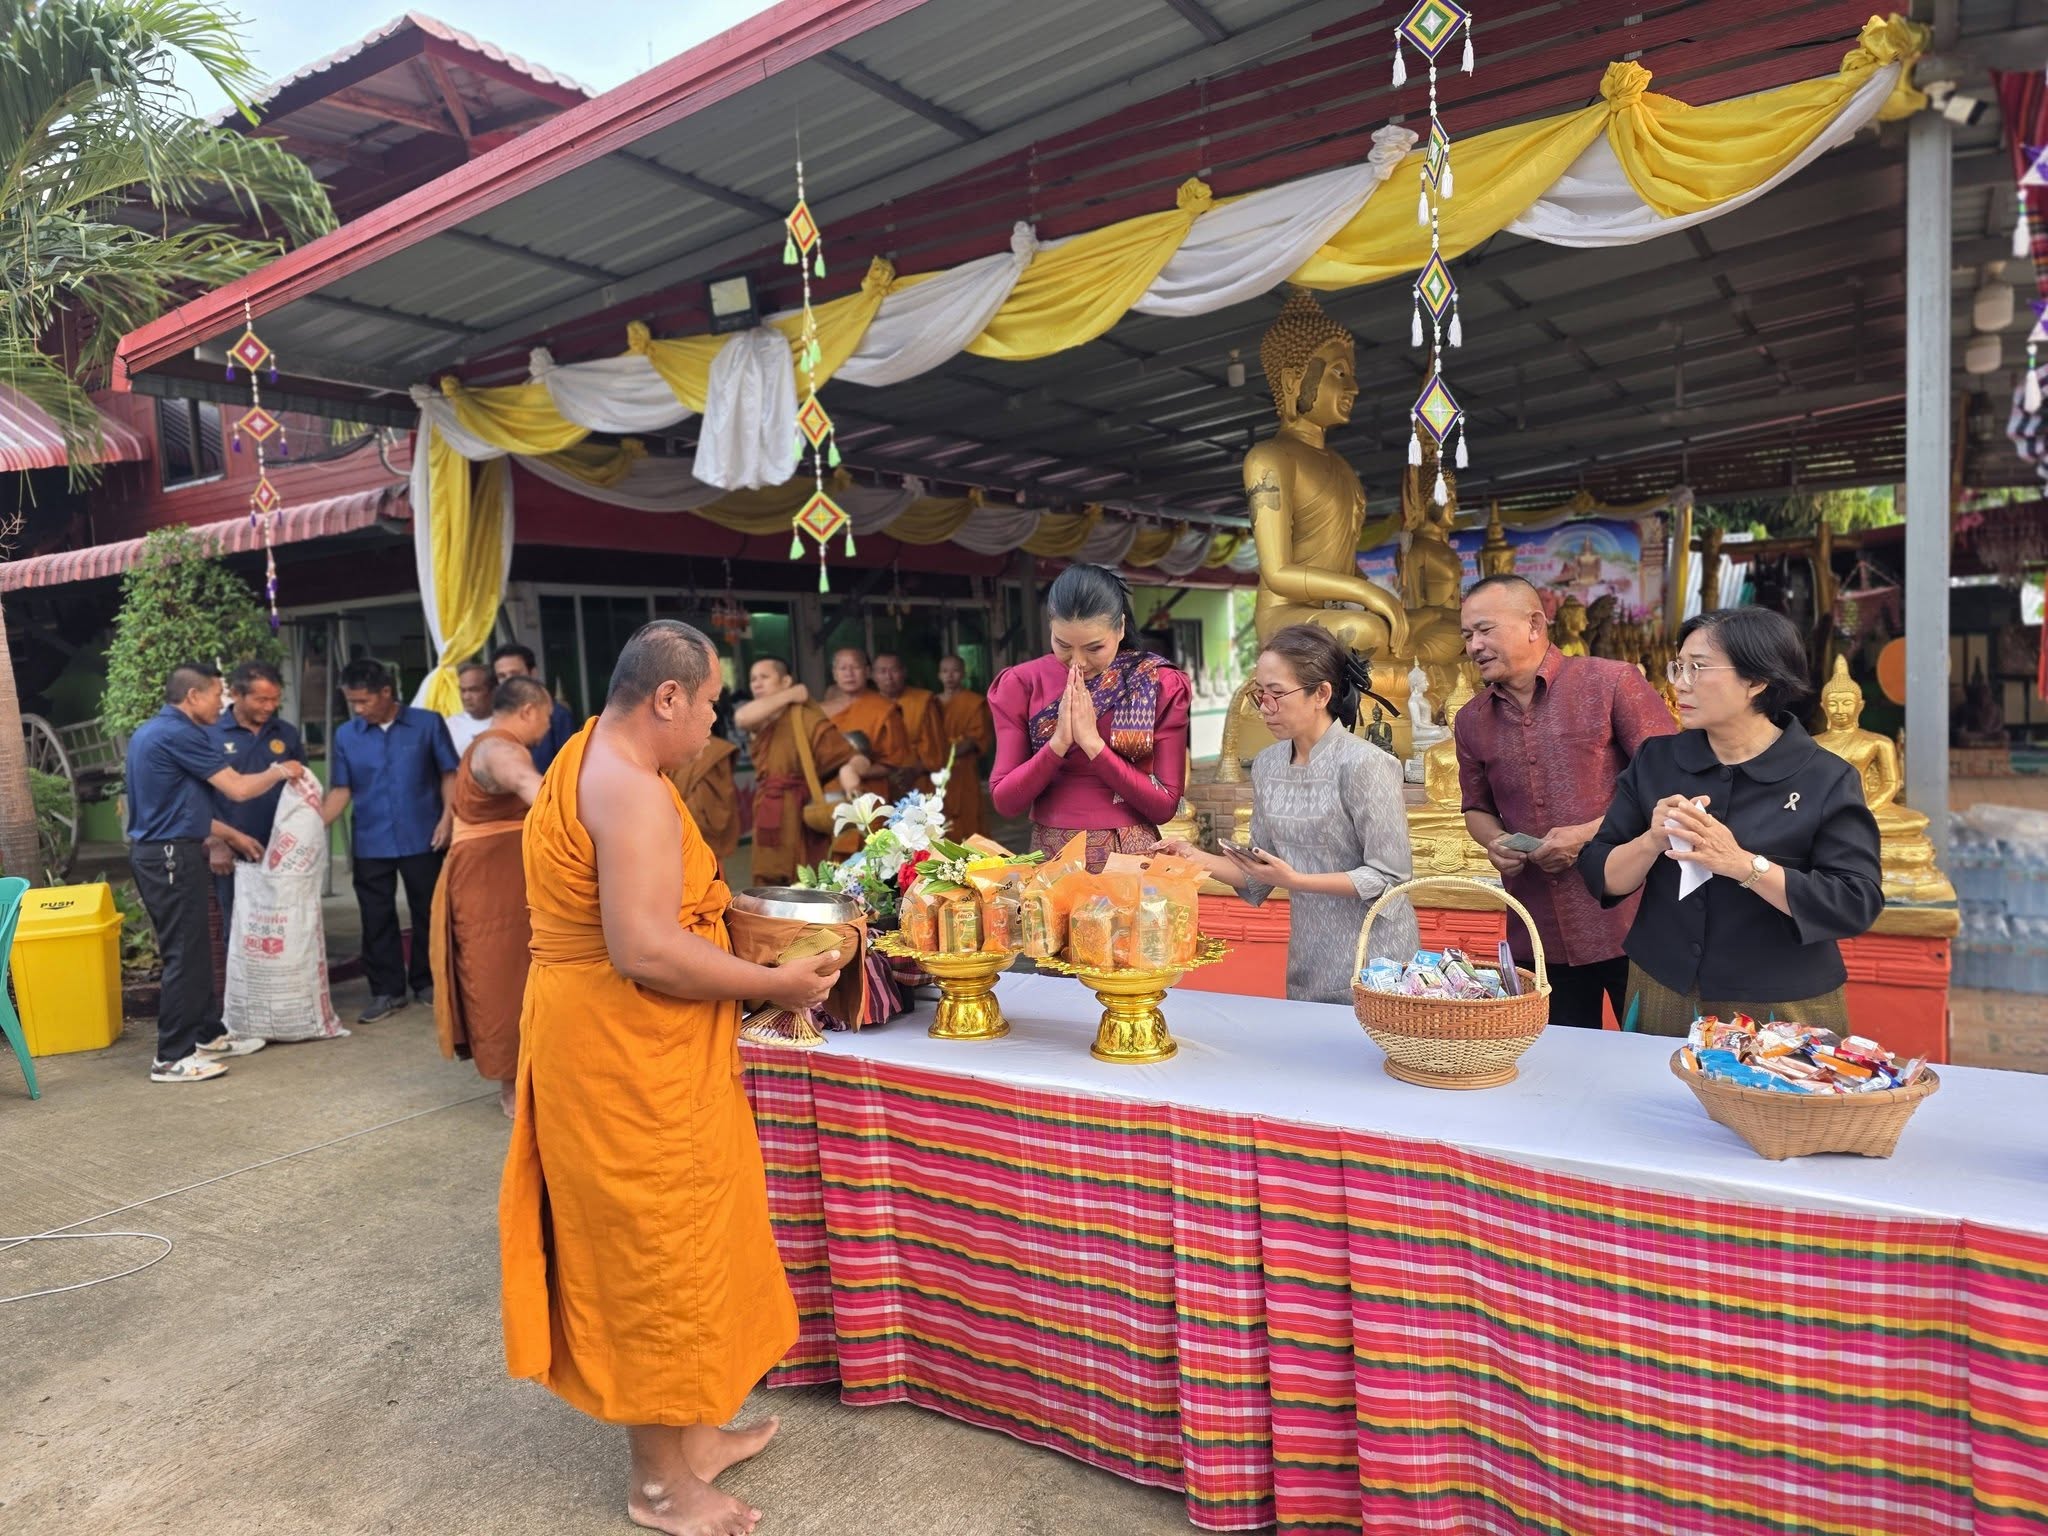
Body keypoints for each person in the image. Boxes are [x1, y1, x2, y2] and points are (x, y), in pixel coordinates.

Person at [499, 620, 847, 1536]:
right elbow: (646, 950)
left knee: (697, 1232)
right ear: (666, 698)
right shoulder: (628, 790)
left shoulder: (594, 754)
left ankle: (693, 1433)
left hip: (625, 1040)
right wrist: (775, 982)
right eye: (709, 700)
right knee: (653, 1251)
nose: (715, 717)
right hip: (622, 1050)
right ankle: (658, 1484)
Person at [1579, 607, 1884, 1035]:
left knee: (1770, 1104)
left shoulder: (1826, 777)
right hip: (1666, 988)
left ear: (1758, 680)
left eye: (1698, 668)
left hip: (1781, 1002)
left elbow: (1854, 903)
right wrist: (1651, 839)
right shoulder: (1656, 761)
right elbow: (1600, 874)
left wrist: (1743, 865)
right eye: (1679, 666)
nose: (1679, 682)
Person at [1454, 574, 1676, 1028]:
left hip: (1634, 920)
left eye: (1485, 630)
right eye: (1467, 635)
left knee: (1656, 1058)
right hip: (1537, 928)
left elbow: (1671, 783)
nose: (1474, 646)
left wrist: (1588, 835)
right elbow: (1476, 807)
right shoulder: (1471, 719)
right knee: (1557, 1069)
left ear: (1534, 624)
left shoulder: (1611, 682)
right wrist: (1496, 842)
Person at [1156, 625, 1417, 1002]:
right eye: (1260, 694)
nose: (1265, 707)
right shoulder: (1267, 765)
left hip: (1378, 958)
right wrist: (1191, 856)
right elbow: (1258, 876)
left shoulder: (1366, 764)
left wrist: (1297, 880)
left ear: (1321, 694)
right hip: (1309, 956)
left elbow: (1389, 876)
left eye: (1277, 694)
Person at [125, 662, 308, 1082]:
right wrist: (284, 770)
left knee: (195, 950)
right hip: (171, 857)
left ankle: (208, 1034)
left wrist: (233, 835)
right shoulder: (180, 733)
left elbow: (182, 808)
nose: (221, 701)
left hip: (167, 851)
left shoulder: (152, 731)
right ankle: (170, 1057)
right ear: (193, 697)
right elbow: (239, 789)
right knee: (184, 956)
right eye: (216, 693)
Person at [988, 563, 1191, 870]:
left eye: (1095, 647)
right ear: (1050, 629)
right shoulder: (1021, 684)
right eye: (1063, 645)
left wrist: (1093, 746)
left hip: (1129, 858)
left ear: (1120, 628)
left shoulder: (1155, 682)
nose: (1078, 663)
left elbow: (1164, 805)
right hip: (1052, 858)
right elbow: (1005, 801)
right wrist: (1058, 744)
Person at [430, 675, 552, 1118]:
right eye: (547, 715)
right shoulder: (500, 748)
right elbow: (534, 790)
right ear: (528, 710)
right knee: (501, 980)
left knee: (523, 973)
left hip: (506, 879)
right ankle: (513, 1090)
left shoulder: (490, 743)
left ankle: (538, 1078)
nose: (546, 724)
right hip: (488, 884)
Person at [321, 658, 459, 1024]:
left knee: (429, 912)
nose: (359, 709)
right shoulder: (346, 735)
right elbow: (340, 790)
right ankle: (387, 991)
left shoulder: (427, 724)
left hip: (424, 834)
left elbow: (449, 773)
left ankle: (428, 982)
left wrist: (448, 819)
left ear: (386, 692)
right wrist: (308, 826)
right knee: (376, 917)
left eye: (364, 700)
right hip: (371, 840)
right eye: (353, 702)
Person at [733, 657, 868, 884]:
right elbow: (742, 717)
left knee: (804, 878)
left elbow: (853, 757)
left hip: (800, 810)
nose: (757, 683)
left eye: (765, 677)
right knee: (767, 878)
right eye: (753, 679)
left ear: (786, 680)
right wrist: (793, 693)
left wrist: (850, 770)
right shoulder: (759, 719)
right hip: (767, 808)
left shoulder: (804, 718)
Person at [207, 659, 305, 941]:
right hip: (233, 852)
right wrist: (215, 843)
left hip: (283, 851)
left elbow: (300, 788)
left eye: (275, 699)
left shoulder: (286, 733)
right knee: (240, 929)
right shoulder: (210, 735)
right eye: (261, 699)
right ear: (237, 694)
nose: (269, 706)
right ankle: (242, 987)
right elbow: (197, 797)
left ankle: (283, 985)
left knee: (286, 927)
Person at [822, 647, 914, 800]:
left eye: (855, 667)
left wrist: (856, 772)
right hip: (825, 794)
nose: (849, 673)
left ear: (867, 672)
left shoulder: (884, 709)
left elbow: (894, 762)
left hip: (870, 794)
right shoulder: (821, 711)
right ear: (835, 674)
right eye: (843, 668)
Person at [491, 643, 576, 773]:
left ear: (533, 673)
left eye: (515, 673)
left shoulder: (557, 715)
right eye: (502, 676)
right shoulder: (495, 714)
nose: (508, 681)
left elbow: (569, 767)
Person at [873, 651, 947, 792]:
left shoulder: (923, 702)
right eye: (882, 671)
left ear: (904, 672)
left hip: (917, 781)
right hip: (878, 783)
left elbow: (935, 749)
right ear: (873, 675)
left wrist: (914, 770)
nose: (889, 677)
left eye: (894, 670)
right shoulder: (866, 705)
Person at [936, 654, 992, 841]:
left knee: (969, 815)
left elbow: (976, 737)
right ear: (939, 675)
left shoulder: (974, 702)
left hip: (963, 769)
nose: (950, 676)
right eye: (945, 671)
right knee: (940, 815)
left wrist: (947, 753)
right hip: (937, 770)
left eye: (955, 671)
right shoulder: (932, 704)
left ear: (963, 674)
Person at [444, 662, 496, 758]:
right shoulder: (449, 725)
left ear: (492, 691)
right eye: (463, 690)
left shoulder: (507, 722)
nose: (466, 697)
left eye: (474, 690)